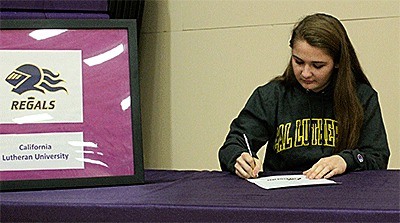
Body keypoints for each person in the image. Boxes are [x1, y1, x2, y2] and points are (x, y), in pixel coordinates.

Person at [218, 13, 390, 180]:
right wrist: (239, 158)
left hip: (342, 196)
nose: (306, 73)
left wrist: (345, 160)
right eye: (298, 62)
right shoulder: (271, 96)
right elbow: (233, 144)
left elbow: (377, 157)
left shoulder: (362, 97)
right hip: (284, 197)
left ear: (337, 63)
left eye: (317, 65)